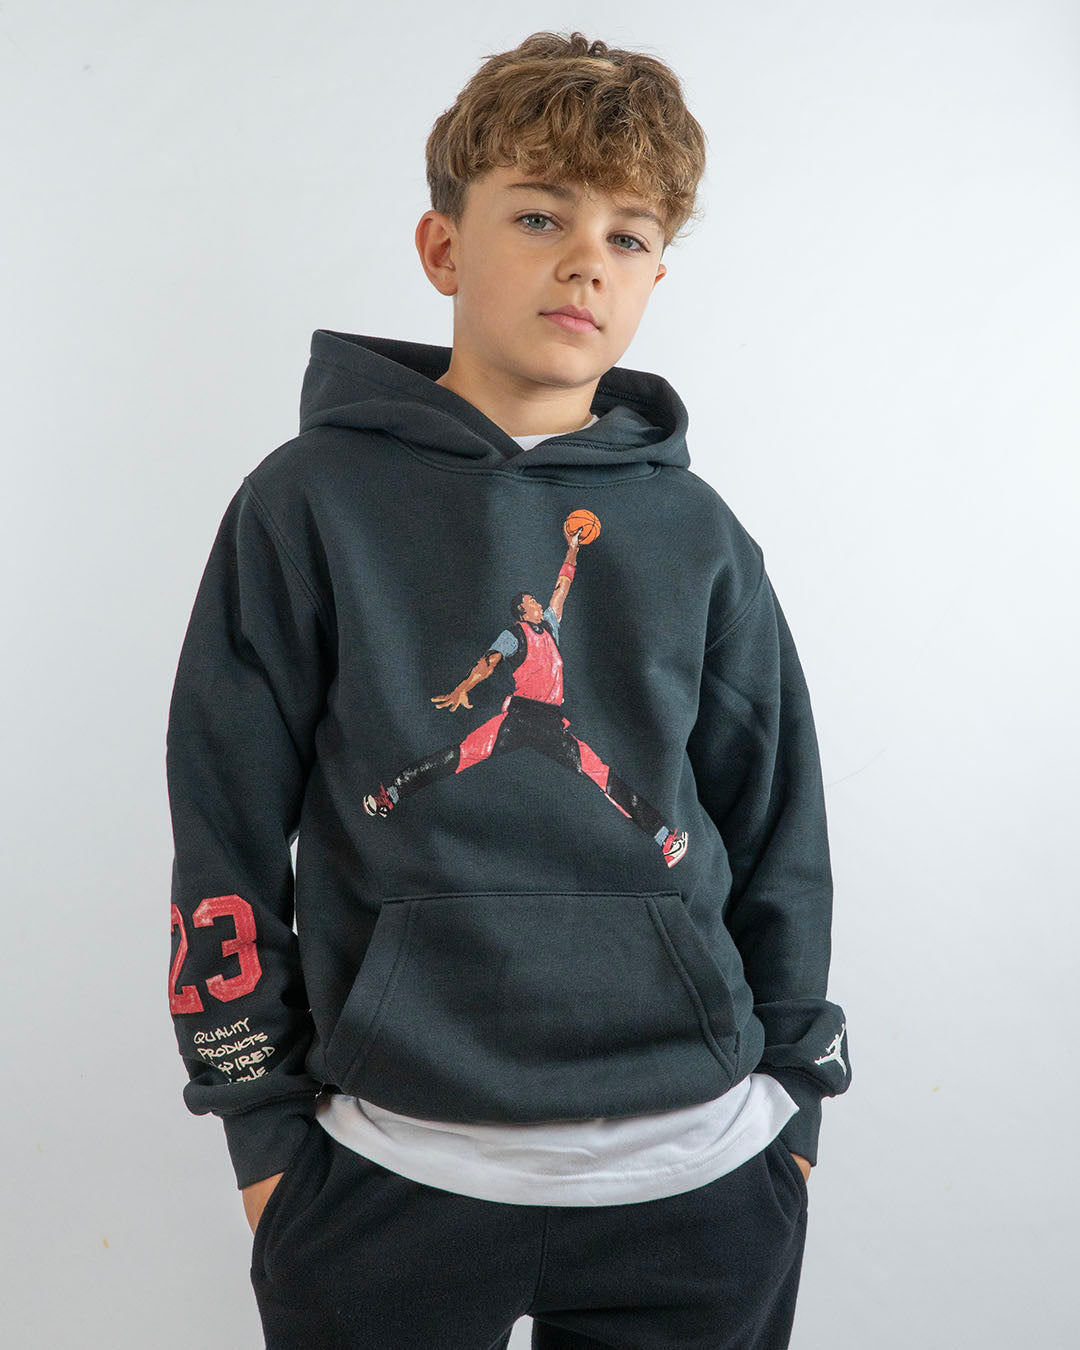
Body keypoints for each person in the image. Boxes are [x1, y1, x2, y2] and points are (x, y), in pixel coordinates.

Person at [165, 28, 852, 1350]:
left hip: (702, 1174)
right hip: (383, 1172)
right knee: (474, 751)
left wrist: (796, 1108)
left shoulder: (698, 534)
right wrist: (259, 1131)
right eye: (540, 215)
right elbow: (223, 829)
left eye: (629, 235)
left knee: (578, 765)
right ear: (442, 247)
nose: (586, 258)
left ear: (654, 276)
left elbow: (783, 827)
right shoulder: (305, 506)